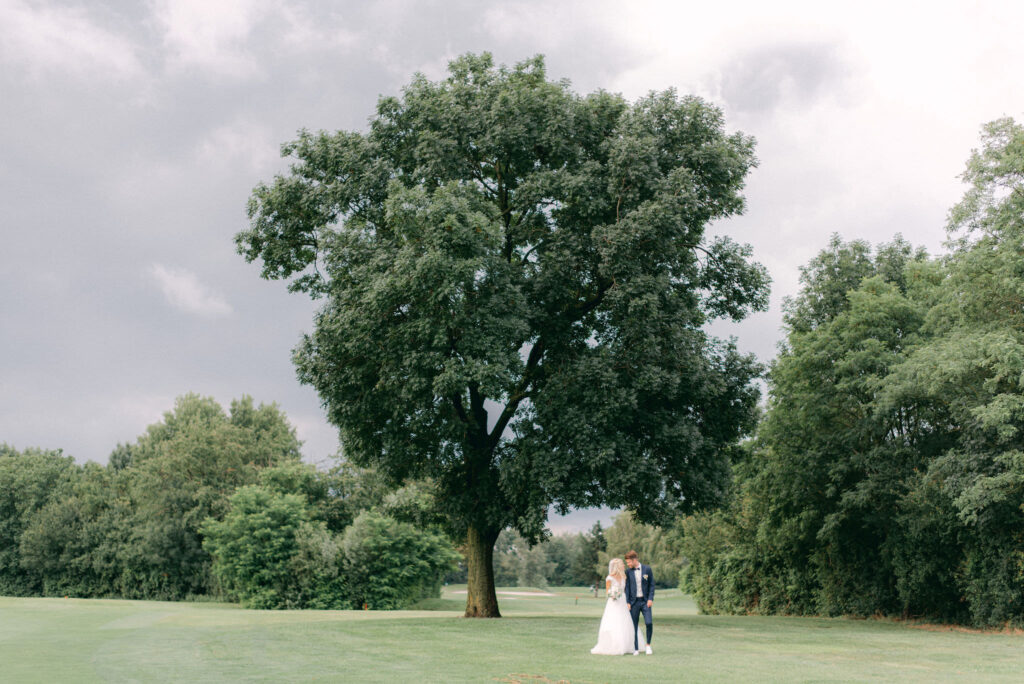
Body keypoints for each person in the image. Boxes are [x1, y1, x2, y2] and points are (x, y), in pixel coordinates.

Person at [589, 558, 637, 655]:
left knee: (625, 620)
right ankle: (614, 645)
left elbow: (625, 590)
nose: (624, 565)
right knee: (614, 621)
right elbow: (607, 591)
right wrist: (613, 595)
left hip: (622, 600)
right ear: (617, 566)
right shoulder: (609, 578)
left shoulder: (624, 577)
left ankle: (628, 645)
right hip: (613, 602)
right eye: (622, 564)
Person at [624, 550, 654, 655]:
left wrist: (650, 599)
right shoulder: (628, 572)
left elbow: (652, 585)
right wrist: (627, 602)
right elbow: (627, 588)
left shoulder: (647, 569)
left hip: (645, 602)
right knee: (634, 626)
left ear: (635, 560)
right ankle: (635, 649)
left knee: (649, 622)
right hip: (634, 602)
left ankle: (648, 645)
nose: (628, 564)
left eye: (629, 562)